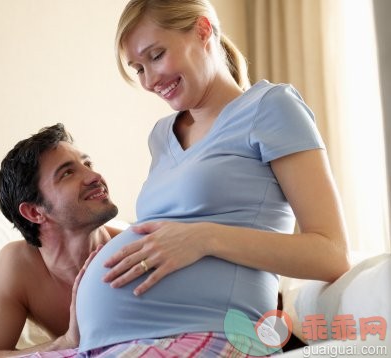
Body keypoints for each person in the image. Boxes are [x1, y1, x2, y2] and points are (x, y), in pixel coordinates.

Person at [29, 0, 350, 356]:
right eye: (138, 68)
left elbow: (331, 254)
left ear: (202, 31)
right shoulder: (162, 135)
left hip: (211, 332)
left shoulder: (270, 108)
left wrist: (205, 238)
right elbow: (163, 237)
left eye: (156, 55)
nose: (149, 81)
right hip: (109, 341)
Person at [0, 123, 120, 357]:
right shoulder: (19, 266)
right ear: (34, 212)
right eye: (68, 173)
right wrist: (64, 343)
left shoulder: (137, 248)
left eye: (88, 164)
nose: (95, 176)